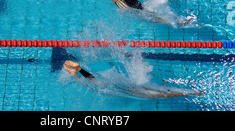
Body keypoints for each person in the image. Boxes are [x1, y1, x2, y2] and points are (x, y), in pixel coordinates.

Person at [63, 60, 204, 98]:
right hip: (123, 87)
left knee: (95, 83)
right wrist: (187, 93)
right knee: (95, 84)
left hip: (125, 85)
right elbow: (166, 93)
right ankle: (78, 70)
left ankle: (77, 70)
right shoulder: (148, 95)